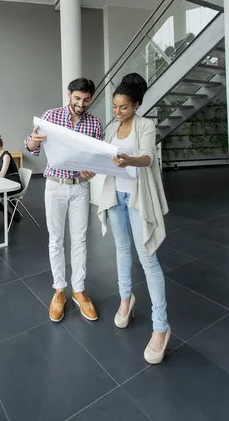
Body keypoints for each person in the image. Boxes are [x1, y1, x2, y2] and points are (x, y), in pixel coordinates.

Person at [97, 72, 170, 365]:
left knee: (148, 257)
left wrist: (129, 160)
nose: (117, 112)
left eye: (123, 107)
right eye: (115, 107)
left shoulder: (146, 125)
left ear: (137, 105)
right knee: (122, 250)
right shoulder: (111, 128)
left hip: (138, 199)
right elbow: (104, 158)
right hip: (116, 197)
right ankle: (126, 299)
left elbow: (148, 157)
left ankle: (161, 326)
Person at [25, 78, 103, 323]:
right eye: (78, 98)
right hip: (55, 186)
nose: (82, 104)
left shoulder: (95, 124)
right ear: (69, 95)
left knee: (80, 240)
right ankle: (60, 289)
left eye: (86, 99)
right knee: (55, 239)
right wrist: (31, 142)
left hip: (81, 188)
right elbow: (32, 148)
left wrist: (93, 170)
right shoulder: (51, 116)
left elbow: (97, 157)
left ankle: (78, 289)